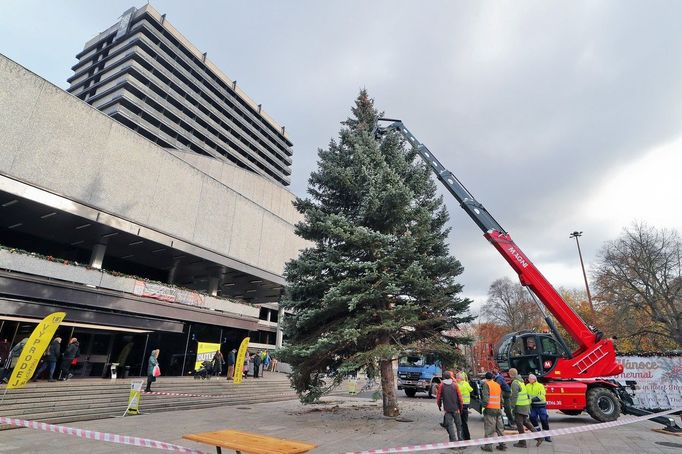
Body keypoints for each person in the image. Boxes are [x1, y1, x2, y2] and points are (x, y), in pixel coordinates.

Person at [509, 368, 542, 448]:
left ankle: (522, 442)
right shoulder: (521, 381)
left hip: (519, 407)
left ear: (510, 374)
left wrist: (511, 407)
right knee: (526, 422)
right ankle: (539, 437)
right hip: (525, 406)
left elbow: (514, 396)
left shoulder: (515, 383)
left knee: (519, 425)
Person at [480, 371, 507, 452]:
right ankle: (503, 445)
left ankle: (488, 447)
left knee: (490, 428)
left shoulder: (486, 384)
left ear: (486, 378)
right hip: (498, 409)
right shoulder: (497, 385)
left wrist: (484, 407)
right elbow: (501, 397)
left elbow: (485, 398)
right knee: (500, 428)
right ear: (492, 377)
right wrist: (500, 405)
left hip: (490, 409)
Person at [436, 371, 463, 446]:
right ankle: (460, 442)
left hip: (447, 409)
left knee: (450, 426)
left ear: (443, 377)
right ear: (451, 377)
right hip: (456, 409)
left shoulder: (441, 385)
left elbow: (438, 397)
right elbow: (460, 397)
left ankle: (453, 443)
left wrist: (439, 406)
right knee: (459, 425)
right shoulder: (455, 385)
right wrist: (460, 407)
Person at [527, 374, 552, 442]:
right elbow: (526, 395)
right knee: (532, 417)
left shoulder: (540, 385)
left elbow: (541, 396)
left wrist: (531, 400)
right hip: (533, 406)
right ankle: (538, 433)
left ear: (533, 379)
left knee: (544, 419)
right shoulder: (527, 386)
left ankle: (547, 436)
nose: (528, 379)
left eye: (529, 378)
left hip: (541, 406)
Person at [455, 372, 473, 440]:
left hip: (460, 405)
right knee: (464, 422)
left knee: (460, 423)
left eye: (457, 378)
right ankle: (467, 437)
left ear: (459, 378)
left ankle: (462, 438)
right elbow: (471, 390)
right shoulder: (466, 383)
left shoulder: (457, 385)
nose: (456, 379)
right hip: (466, 405)